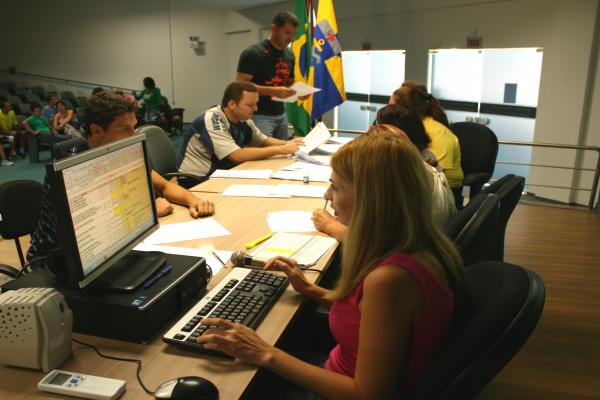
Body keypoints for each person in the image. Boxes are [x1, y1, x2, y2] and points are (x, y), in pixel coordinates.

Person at [197, 133, 464, 399]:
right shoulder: (415, 244)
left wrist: (265, 353)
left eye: (335, 187)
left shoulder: (390, 279)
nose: (327, 195)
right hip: (336, 370)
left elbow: (366, 394)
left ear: (372, 198)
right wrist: (313, 291)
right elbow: (368, 320)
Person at [27, 91, 215, 264]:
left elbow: (165, 187)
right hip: (55, 262)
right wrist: (146, 212)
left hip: (111, 249)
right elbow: (91, 231)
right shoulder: (72, 170)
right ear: (96, 130)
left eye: (134, 127)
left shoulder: (121, 153)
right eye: (125, 129)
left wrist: (194, 201)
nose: (135, 135)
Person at [312, 124, 456, 242]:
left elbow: (372, 244)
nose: (327, 195)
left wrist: (331, 225)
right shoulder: (415, 170)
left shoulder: (390, 269)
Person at [178, 81, 302, 176]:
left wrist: (289, 144)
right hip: (197, 179)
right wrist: (281, 149)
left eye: (256, 104)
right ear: (232, 104)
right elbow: (236, 155)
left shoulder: (243, 119)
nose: (256, 109)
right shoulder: (212, 119)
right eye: (250, 105)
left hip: (222, 173)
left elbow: (262, 140)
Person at [390, 84, 464, 204]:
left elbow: (438, 177)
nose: (387, 110)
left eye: (391, 107)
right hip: (421, 186)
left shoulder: (438, 134)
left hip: (442, 194)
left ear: (404, 110)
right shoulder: (412, 127)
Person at [236, 11, 299, 139]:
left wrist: (299, 91)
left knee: (282, 153)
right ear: (274, 28)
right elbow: (240, 85)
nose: (291, 38)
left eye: (293, 34)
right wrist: (272, 91)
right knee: (264, 155)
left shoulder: (289, 54)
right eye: (287, 32)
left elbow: (288, 82)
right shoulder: (254, 52)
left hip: (281, 114)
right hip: (259, 115)